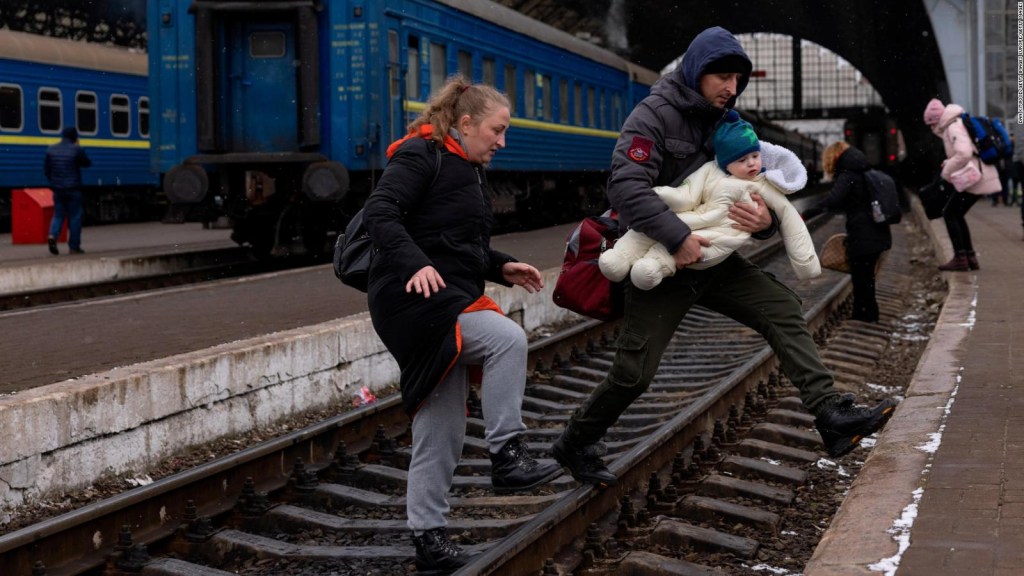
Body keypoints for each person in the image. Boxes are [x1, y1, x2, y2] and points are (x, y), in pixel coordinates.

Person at [549, 27, 898, 488]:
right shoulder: (652, 116)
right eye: (723, 77)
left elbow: (759, 188)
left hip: (714, 259)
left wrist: (764, 224)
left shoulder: (728, 119)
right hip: (662, 259)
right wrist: (677, 239)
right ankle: (575, 440)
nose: (731, 88)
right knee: (634, 374)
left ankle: (830, 414)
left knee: (783, 308)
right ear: (696, 71)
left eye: (738, 79)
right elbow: (626, 187)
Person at [362, 75, 561, 574]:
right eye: (497, 129)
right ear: (466, 122)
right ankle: (508, 455)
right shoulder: (419, 154)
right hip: (411, 298)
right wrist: (413, 264)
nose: (502, 140)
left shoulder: (467, 167)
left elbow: (452, 242)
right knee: (507, 339)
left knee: (442, 426)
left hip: (445, 295)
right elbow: (380, 213)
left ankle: (428, 540)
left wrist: (500, 266)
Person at [598, 110, 819, 290]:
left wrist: (770, 224)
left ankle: (653, 267)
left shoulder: (763, 185)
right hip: (680, 221)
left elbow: (791, 221)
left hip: (716, 237)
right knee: (645, 234)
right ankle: (619, 257)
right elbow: (686, 196)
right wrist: (658, 195)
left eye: (755, 156)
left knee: (679, 251)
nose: (752, 164)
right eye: (742, 159)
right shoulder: (657, 119)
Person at [801, 142, 892, 323]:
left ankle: (864, 316)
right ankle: (867, 314)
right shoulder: (863, 171)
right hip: (877, 231)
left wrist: (807, 214)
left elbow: (833, 199)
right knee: (866, 276)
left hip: (863, 235)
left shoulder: (849, 174)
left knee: (861, 278)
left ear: (834, 157)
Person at [922, 98, 1001, 270]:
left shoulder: (952, 126)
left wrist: (947, 170)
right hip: (979, 174)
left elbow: (964, 153)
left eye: (931, 124)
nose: (931, 129)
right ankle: (969, 257)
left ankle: (961, 258)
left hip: (977, 177)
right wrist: (949, 162)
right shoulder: (957, 122)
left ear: (936, 121)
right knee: (956, 213)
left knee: (949, 213)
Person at [44, 126, 91, 255]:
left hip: (58, 189)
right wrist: (79, 147)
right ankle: (74, 247)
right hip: (73, 189)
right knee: (75, 217)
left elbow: (47, 171)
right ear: (74, 137)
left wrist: (54, 182)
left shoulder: (51, 150)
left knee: (58, 215)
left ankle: (52, 236)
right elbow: (86, 163)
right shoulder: (76, 150)